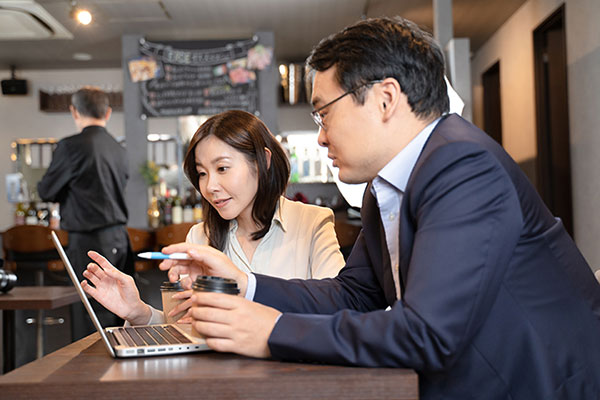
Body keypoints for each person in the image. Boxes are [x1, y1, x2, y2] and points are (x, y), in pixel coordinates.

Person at [159, 17, 600, 400]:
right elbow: (353, 294)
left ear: (385, 99)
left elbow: (427, 333)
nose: (321, 137)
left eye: (323, 114)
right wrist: (247, 283)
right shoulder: (383, 189)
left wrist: (269, 331)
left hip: (536, 385)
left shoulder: (462, 166)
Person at [81, 110, 345, 326]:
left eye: (222, 168)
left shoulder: (313, 223)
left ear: (262, 161)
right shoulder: (199, 237)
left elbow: (339, 309)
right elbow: (186, 330)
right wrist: (139, 312)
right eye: (202, 173)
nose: (210, 186)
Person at [38, 86, 133, 339]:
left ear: (74, 111)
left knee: (93, 315)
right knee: (119, 310)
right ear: (108, 113)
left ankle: (95, 377)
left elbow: (46, 190)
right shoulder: (119, 149)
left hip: (91, 241)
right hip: (120, 239)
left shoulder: (71, 147)